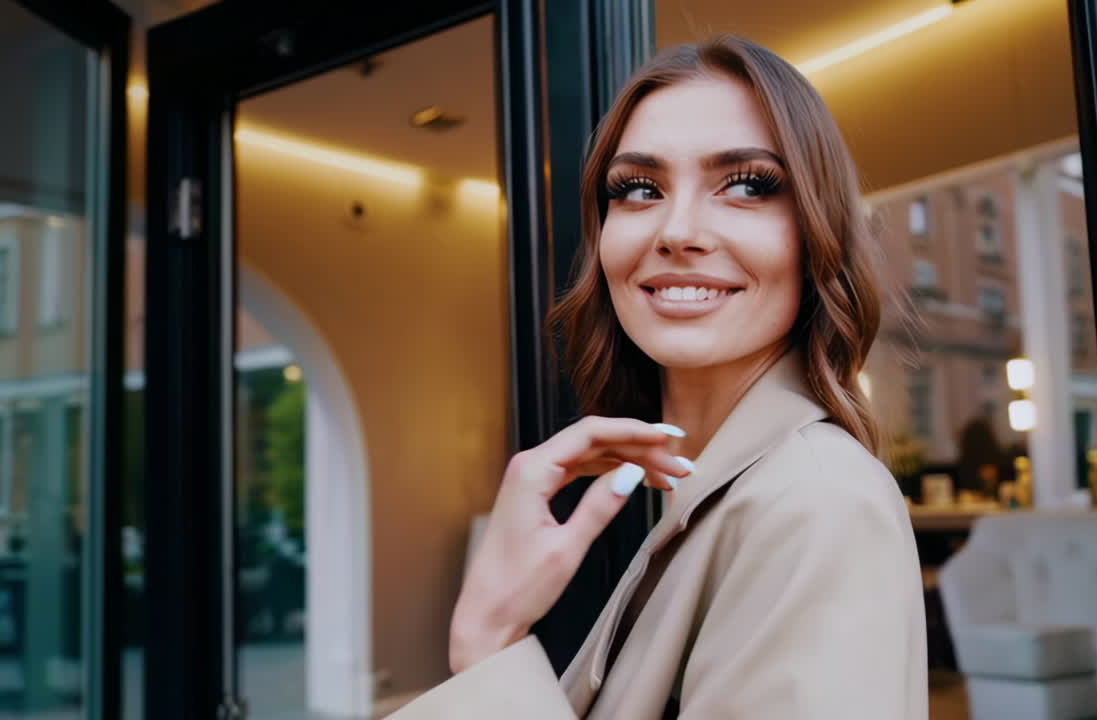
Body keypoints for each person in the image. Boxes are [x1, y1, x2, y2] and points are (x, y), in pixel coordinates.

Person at [391, 35, 927, 719]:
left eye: (748, 185)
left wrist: (487, 640)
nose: (677, 231)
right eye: (639, 189)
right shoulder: (722, 500)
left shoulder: (818, 502)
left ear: (817, 233)